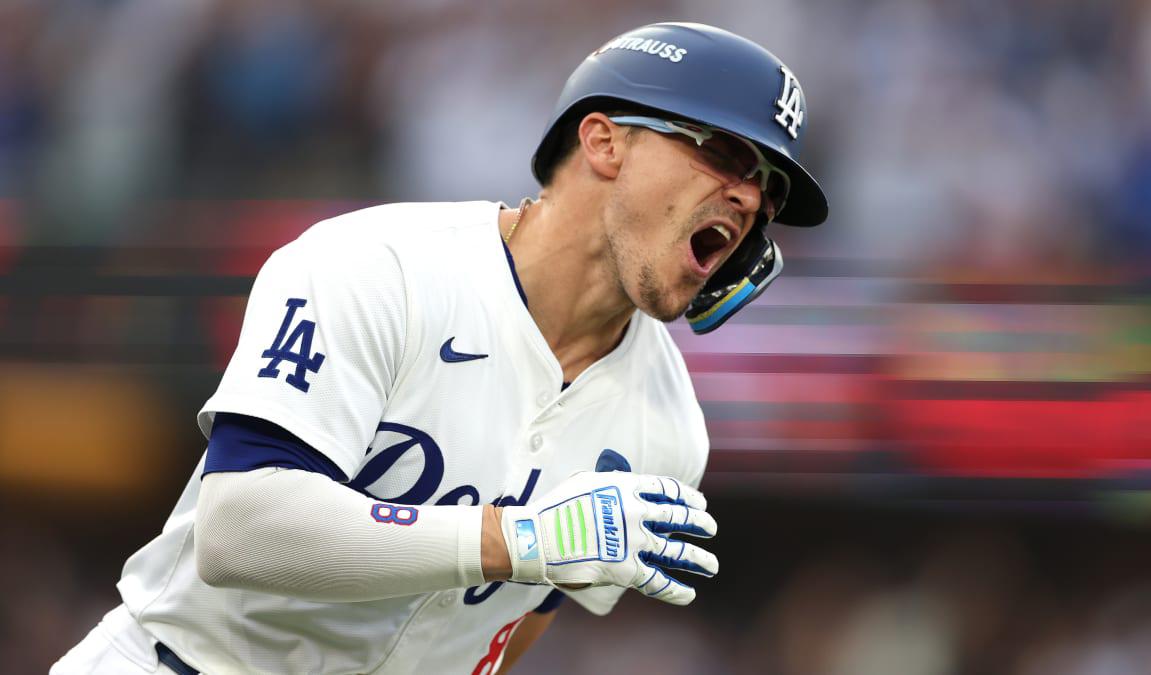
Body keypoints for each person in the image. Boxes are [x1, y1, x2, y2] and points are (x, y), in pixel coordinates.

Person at [52, 21, 827, 675]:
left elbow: (509, 630)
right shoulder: (379, 264)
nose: (751, 197)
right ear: (604, 142)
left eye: (767, 186)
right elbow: (240, 529)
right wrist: (518, 538)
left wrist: (525, 556)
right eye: (725, 154)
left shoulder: (670, 431)